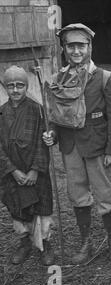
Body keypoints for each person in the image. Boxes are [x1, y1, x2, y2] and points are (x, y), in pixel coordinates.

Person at [43, 23, 111, 265]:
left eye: (81, 45)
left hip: (98, 146)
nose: (76, 51)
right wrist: (52, 134)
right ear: (64, 49)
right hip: (71, 147)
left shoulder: (104, 77)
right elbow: (57, 115)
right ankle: (85, 242)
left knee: (106, 195)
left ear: (89, 47)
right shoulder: (59, 78)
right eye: (71, 46)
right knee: (78, 196)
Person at [0, 66, 54, 265]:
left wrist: (34, 170)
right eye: (11, 86)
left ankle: (45, 244)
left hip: (34, 172)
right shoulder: (1, 112)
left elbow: (43, 143)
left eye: (20, 86)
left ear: (26, 86)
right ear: (5, 88)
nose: (15, 90)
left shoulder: (37, 110)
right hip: (11, 172)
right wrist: (12, 170)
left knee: (41, 208)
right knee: (17, 209)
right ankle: (24, 243)